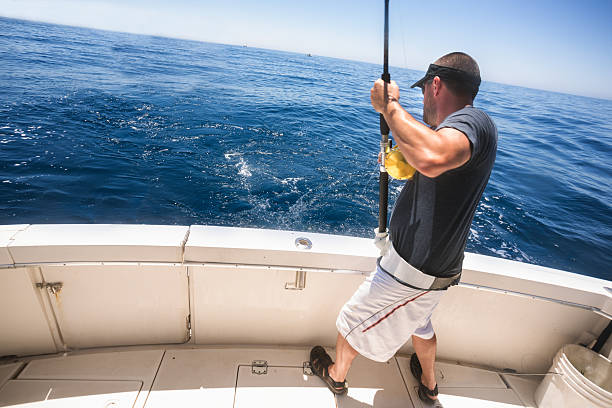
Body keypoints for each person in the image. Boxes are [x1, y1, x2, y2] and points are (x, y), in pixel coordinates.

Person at [310, 52, 497, 407]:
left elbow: (433, 157)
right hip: (435, 268)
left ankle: (336, 377)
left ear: (436, 85)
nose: (423, 99)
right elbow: (432, 160)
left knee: (351, 319)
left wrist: (390, 106)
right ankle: (429, 384)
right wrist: (406, 157)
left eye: (424, 90)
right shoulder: (454, 130)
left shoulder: (474, 121)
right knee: (420, 322)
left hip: (413, 270)